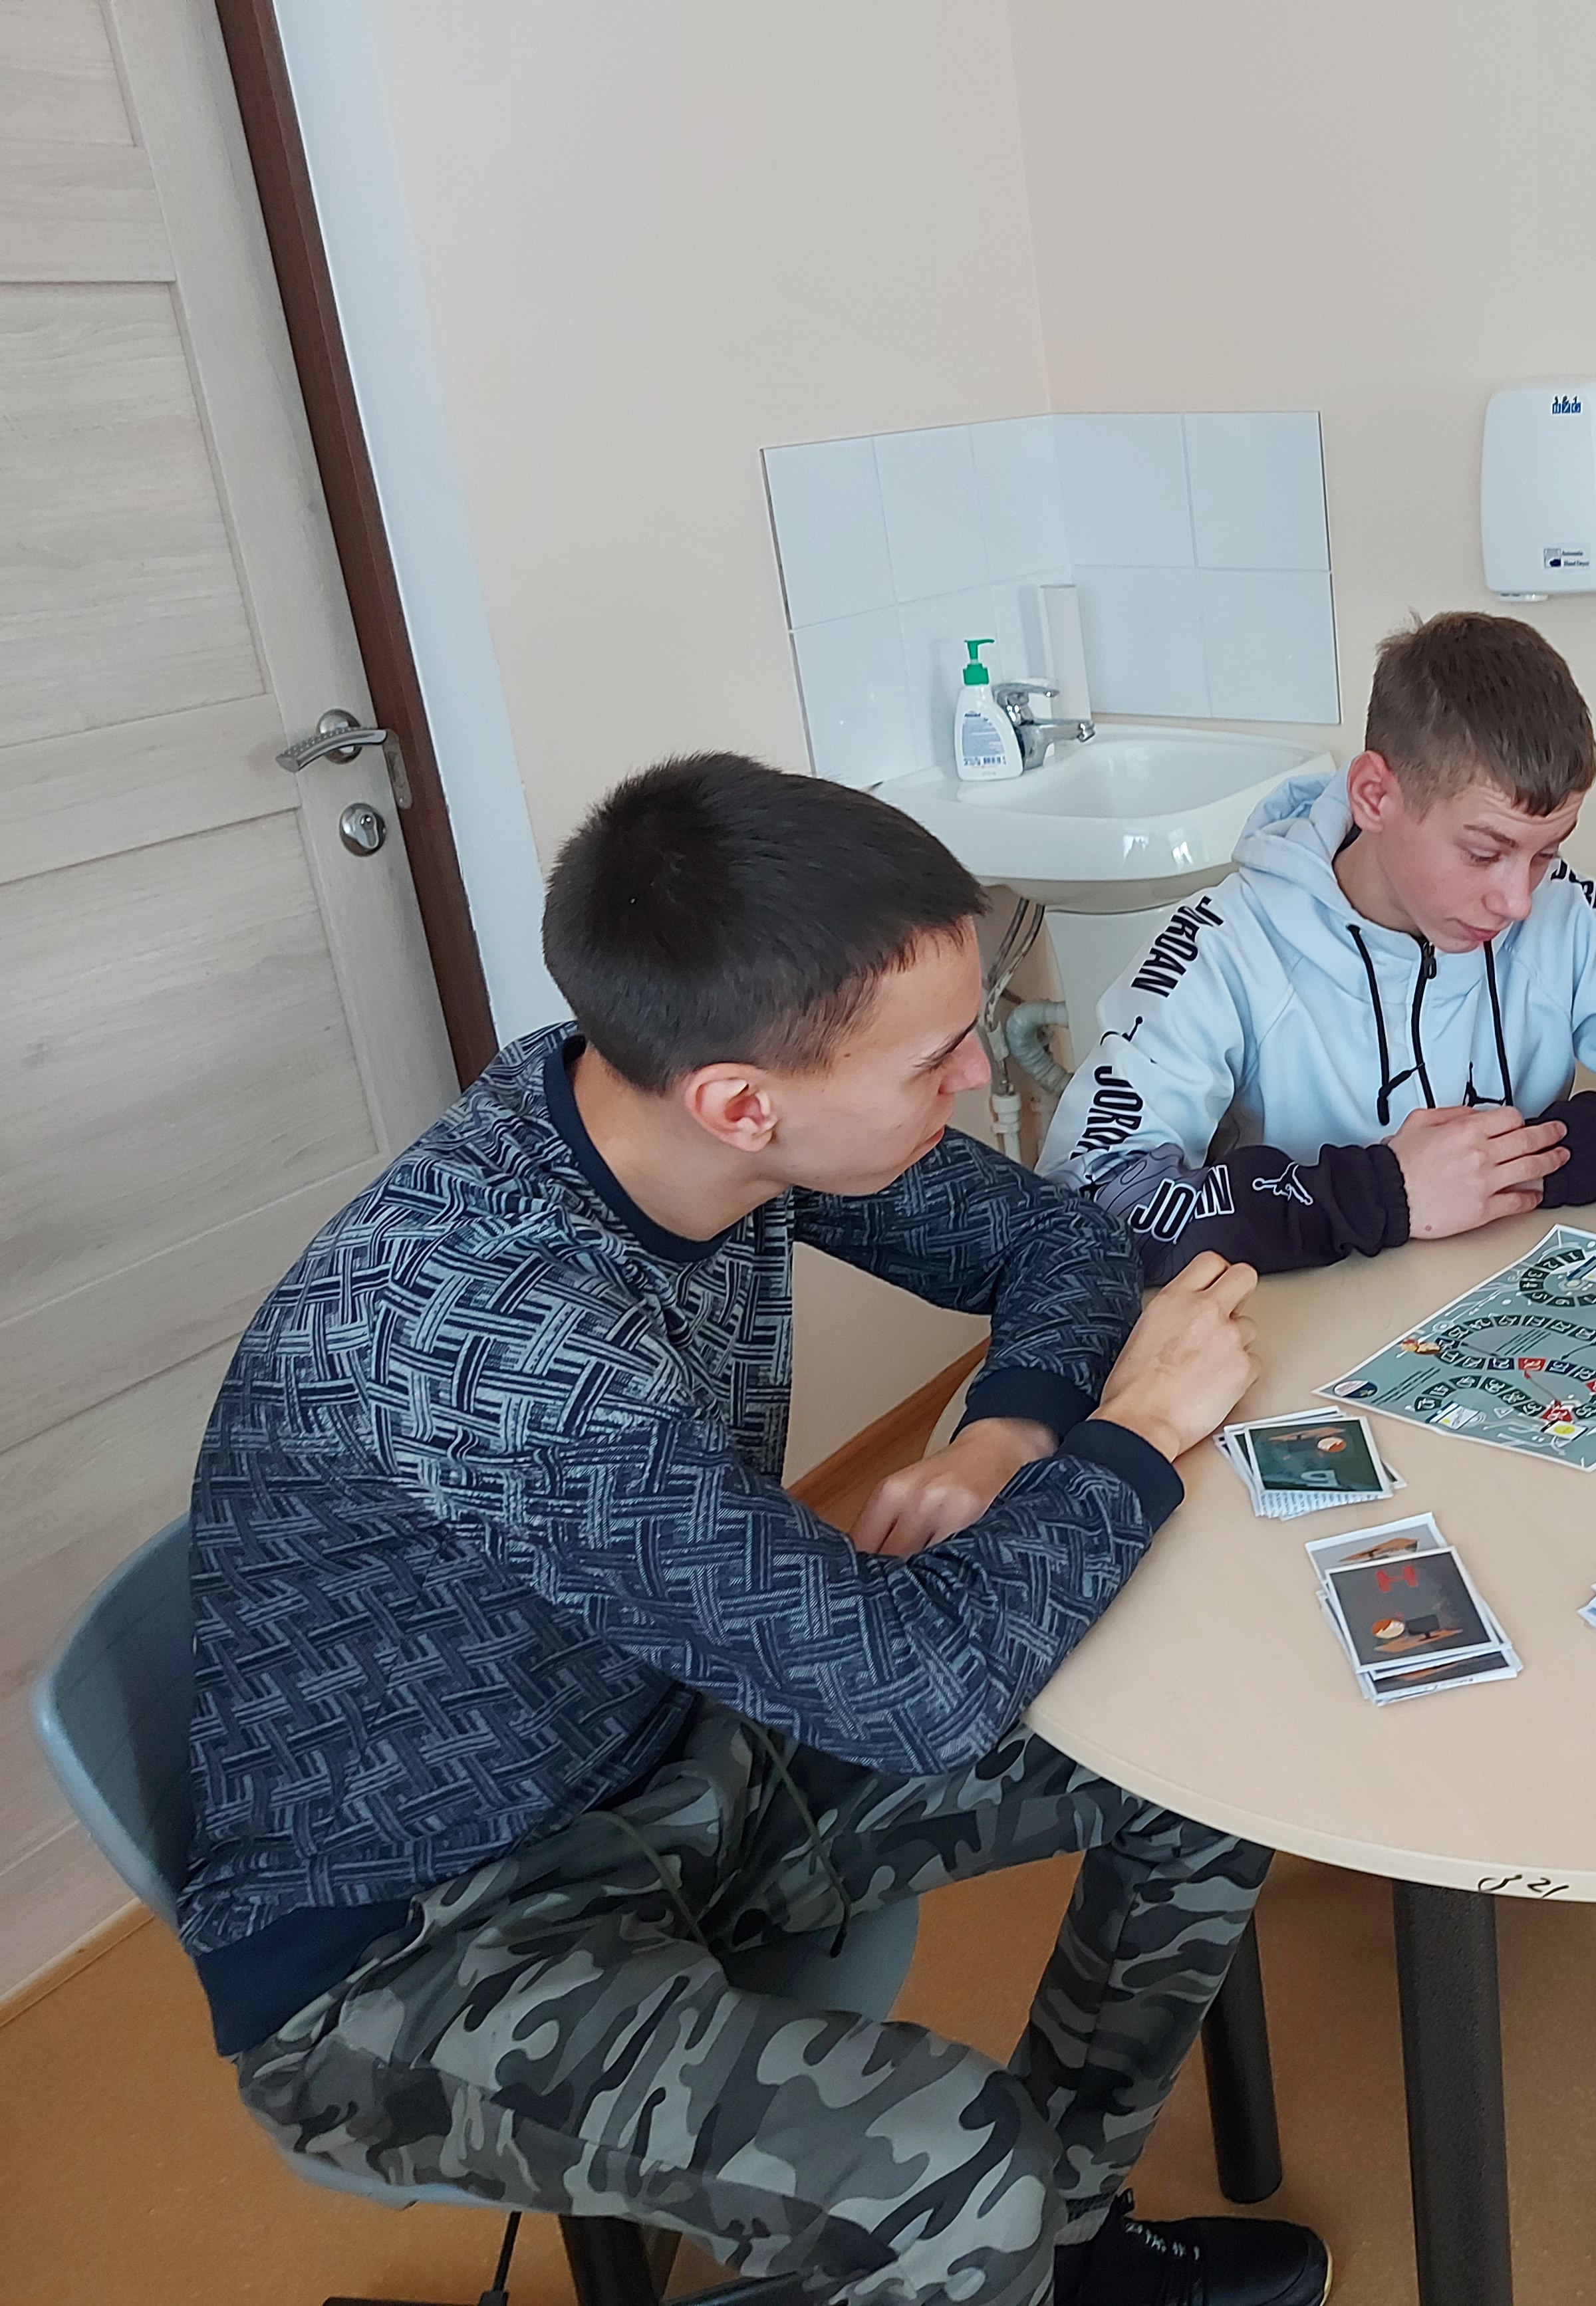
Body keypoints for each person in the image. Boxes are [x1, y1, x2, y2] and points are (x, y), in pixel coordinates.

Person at [180, 755, 1326, 2306]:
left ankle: (1063, 2253)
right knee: (951, 2174)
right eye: (934, 1059)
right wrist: (1127, 1440)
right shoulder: (503, 1345)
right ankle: (1001, 2244)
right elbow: (915, 1694)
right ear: (741, 1100)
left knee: (1206, 1759)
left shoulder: (664, 1111)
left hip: (667, 1751)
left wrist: (1004, 1432)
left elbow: (1057, 1236)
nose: (975, 1077)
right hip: (410, 1947)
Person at [1043, 610, 1596, 1275]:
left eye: (1545, 853)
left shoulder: (1564, 918)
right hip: (1304, 1338)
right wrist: (1378, 1193)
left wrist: (1567, 1154)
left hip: (1505, 1309)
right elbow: (1088, 1202)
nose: (1518, 900)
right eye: (1483, 853)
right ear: (1374, 795)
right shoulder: (1223, 946)